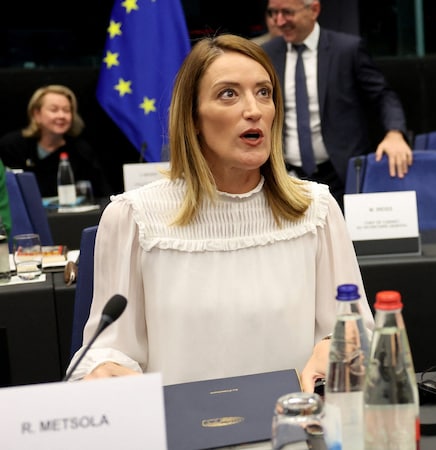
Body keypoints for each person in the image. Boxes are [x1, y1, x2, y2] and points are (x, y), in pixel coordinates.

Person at [64, 34, 374, 391]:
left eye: (264, 92)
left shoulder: (315, 210)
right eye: (228, 93)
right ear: (193, 117)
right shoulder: (132, 218)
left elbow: (353, 332)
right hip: (183, 434)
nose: (254, 110)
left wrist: (334, 348)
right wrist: (105, 368)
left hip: (295, 432)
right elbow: (107, 351)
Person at [261, 0, 413, 206]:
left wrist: (394, 133)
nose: (278, 21)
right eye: (273, 12)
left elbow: (383, 95)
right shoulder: (267, 53)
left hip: (340, 176)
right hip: (287, 179)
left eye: (287, 12)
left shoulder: (347, 49)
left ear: (313, 10)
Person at [0, 85, 110, 199]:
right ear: (36, 114)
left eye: (67, 110)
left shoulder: (81, 151)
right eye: (54, 110)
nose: (61, 116)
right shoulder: (12, 146)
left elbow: (102, 193)